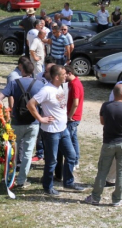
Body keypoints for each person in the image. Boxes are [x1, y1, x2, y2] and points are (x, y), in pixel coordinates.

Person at [27, 65, 84, 195]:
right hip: (51, 131)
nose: (66, 75)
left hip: (63, 130)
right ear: (57, 77)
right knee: (52, 160)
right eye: (64, 74)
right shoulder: (46, 90)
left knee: (71, 155)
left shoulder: (60, 87)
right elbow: (30, 104)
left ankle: (68, 182)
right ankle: (47, 186)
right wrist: (41, 119)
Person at [83, 84, 122, 207]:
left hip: (109, 143)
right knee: (121, 172)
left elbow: (102, 121)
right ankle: (117, 199)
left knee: (102, 171)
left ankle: (95, 197)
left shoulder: (106, 106)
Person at [0, 60, 44, 188]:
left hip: (16, 122)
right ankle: (22, 180)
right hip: (33, 122)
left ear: (21, 70)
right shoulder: (39, 85)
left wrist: (5, 113)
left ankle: (9, 177)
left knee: (12, 151)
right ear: (33, 71)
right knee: (28, 152)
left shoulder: (14, 83)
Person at [54, 66, 85, 180]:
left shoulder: (75, 84)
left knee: (68, 142)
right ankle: (75, 160)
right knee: (73, 139)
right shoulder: (72, 83)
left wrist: (69, 116)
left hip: (73, 118)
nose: (63, 77)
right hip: (74, 117)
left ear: (69, 73)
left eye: (64, 74)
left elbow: (76, 103)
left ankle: (72, 163)